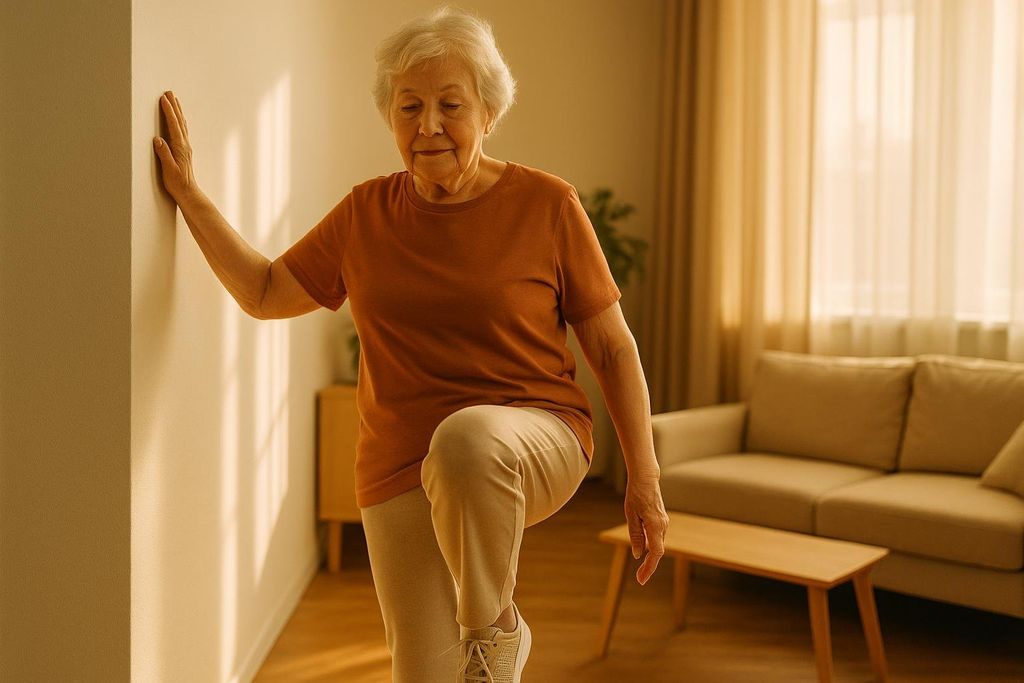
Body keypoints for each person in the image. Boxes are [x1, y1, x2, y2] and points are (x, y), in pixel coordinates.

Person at [152, 6, 669, 682]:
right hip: (397, 466)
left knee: (465, 443)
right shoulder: (365, 215)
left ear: (488, 112)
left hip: (535, 435)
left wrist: (645, 480)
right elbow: (265, 291)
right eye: (409, 106)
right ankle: (483, 650)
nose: (428, 125)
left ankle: (495, 631)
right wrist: (190, 197)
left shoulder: (547, 204)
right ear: (390, 117)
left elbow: (613, 350)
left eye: (449, 104)